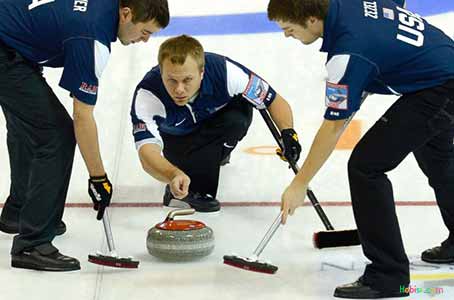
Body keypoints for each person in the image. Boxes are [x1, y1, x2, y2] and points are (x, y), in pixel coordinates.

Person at [267, 0, 454, 298]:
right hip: (441, 68)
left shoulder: (347, 53)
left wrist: (299, 182)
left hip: (438, 86)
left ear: (313, 20)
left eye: (289, 29)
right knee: (438, 159)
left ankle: (388, 275)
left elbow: (333, 126)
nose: (287, 36)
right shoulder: (348, 5)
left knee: (366, 166)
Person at [0, 0, 169, 271]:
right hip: (7, 50)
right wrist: (98, 177)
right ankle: (32, 244)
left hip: (12, 39)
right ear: (126, 14)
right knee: (56, 136)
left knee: (30, 125)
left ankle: (19, 211)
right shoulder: (91, 36)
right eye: (145, 31)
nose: (145, 40)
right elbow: (82, 117)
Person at [131, 34, 301, 212]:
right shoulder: (148, 94)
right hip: (178, 139)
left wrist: (288, 134)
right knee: (190, 180)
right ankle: (190, 183)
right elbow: (147, 153)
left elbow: (273, 100)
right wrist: (172, 174)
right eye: (171, 80)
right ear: (161, 71)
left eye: (187, 80)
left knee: (239, 116)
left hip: (214, 121)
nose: (179, 89)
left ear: (202, 73)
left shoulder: (226, 72)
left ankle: (218, 154)